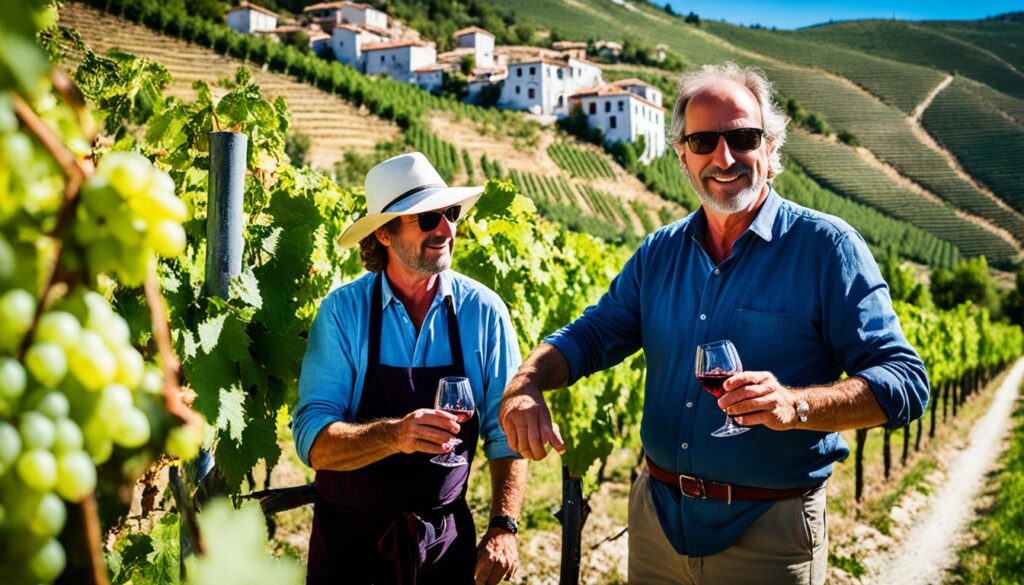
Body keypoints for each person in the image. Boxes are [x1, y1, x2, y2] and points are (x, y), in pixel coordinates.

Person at [499, 62, 929, 585]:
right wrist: (526, 383)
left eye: (742, 138)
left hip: (769, 534)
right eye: (703, 142)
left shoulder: (827, 248)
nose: (723, 158)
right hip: (658, 525)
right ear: (682, 157)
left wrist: (796, 405)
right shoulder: (659, 252)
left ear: (771, 148)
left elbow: (905, 381)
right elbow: (590, 336)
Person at [293, 152, 527, 585]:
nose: (446, 229)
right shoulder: (344, 313)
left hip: (443, 545)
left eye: (450, 213)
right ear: (383, 233)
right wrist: (396, 435)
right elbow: (314, 443)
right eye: (426, 218)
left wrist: (504, 526)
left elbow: (505, 433)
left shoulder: (484, 312)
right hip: (350, 547)